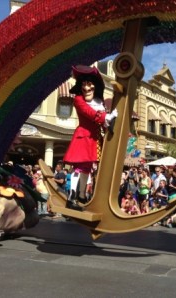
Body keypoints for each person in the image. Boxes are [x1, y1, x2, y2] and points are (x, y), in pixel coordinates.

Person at [63, 65, 117, 210]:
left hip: (94, 139)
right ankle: (71, 197)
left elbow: (104, 123)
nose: (86, 88)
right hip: (83, 137)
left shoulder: (100, 102)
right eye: (83, 84)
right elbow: (89, 113)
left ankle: (81, 195)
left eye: (90, 84)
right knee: (78, 168)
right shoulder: (79, 100)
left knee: (87, 169)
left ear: (95, 86)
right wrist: (107, 116)